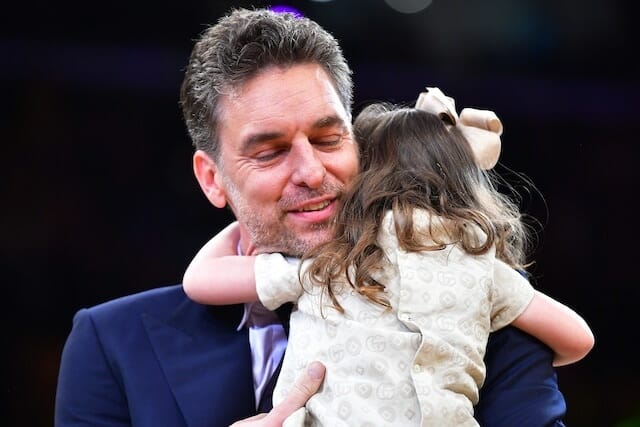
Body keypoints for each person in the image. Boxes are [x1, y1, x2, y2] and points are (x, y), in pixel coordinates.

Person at [55, 7, 575, 427]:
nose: (311, 171)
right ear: (212, 179)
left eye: (328, 139)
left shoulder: (477, 315)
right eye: (270, 152)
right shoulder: (112, 343)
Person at [181, 101, 594, 426]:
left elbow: (199, 280)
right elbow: (578, 339)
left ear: (361, 181)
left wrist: (254, 217)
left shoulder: (335, 260)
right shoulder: (482, 268)